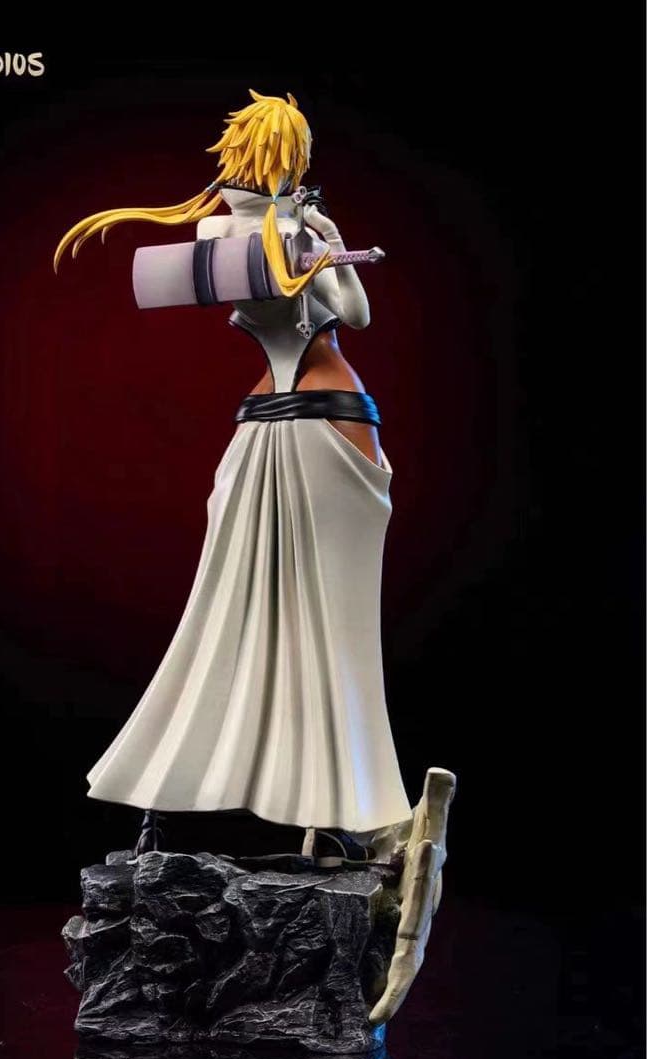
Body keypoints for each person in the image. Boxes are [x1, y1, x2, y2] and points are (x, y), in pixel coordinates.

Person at [54, 89, 413, 868]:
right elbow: (340, 311)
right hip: (309, 421)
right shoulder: (263, 235)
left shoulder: (249, 233)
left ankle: (330, 811)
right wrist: (316, 241)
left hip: (281, 423)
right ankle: (335, 809)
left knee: (264, 617)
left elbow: (330, 302)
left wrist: (321, 239)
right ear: (287, 164)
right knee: (284, 618)